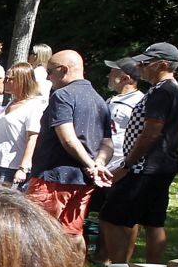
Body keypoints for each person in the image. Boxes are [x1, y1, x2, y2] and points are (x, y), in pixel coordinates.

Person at [99, 42, 178, 265]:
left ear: (163, 65)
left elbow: (151, 132)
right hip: (160, 165)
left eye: (146, 63)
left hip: (144, 167)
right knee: (153, 222)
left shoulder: (162, 91)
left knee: (111, 217)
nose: (141, 67)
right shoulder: (174, 90)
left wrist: (127, 165)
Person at [22, 49, 111, 243]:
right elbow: (107, 142)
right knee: (73, 234)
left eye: (49, 72)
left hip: (54, 177)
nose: (47, 78)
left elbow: (68, 138)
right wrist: (98, 165)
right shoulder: (100, 100)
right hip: (83, 181)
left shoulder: (62, 96)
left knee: (36, 233)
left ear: (63, 69)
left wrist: (91, 165)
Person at [0, 62, 45, 186]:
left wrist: (23, 168)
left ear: (22, 80)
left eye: (9, 79)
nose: (5, 81)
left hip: (12, 168)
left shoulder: (33, 106)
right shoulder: (12, 102)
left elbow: (32, 138)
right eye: (5, 78)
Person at [103, 56, 147, 167]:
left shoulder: (139, 103)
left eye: (113, 72)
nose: (108, 75)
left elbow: (143, 137)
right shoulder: (111, 100)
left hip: (122, 167)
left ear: (126, 79)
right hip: (104, 163)